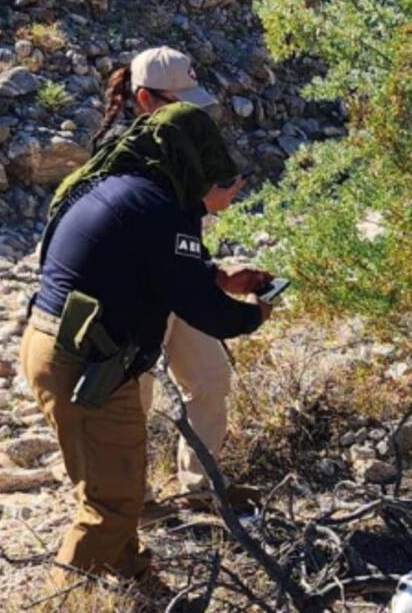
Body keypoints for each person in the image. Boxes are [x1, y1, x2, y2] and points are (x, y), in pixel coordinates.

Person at [20, 102, 272, 595]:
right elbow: (203, 309)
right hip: (86, 361)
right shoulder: (161, 208)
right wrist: (254, 313)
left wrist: (218, 276)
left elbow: (152, 264)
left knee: (111, 490)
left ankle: (142, 586)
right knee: (111, 504)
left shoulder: (117, 186)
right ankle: (62, 603)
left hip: (54, 345)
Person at [93, 47, 252, 511]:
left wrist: (209, 274)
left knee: (210, 377)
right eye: (179, 105)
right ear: (145, 100)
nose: (192, 116)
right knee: (133, 399)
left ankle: (199, 488)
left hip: (179, 277)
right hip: (137, 292)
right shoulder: (120, 156)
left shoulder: (180, 145)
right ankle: (134, 501)